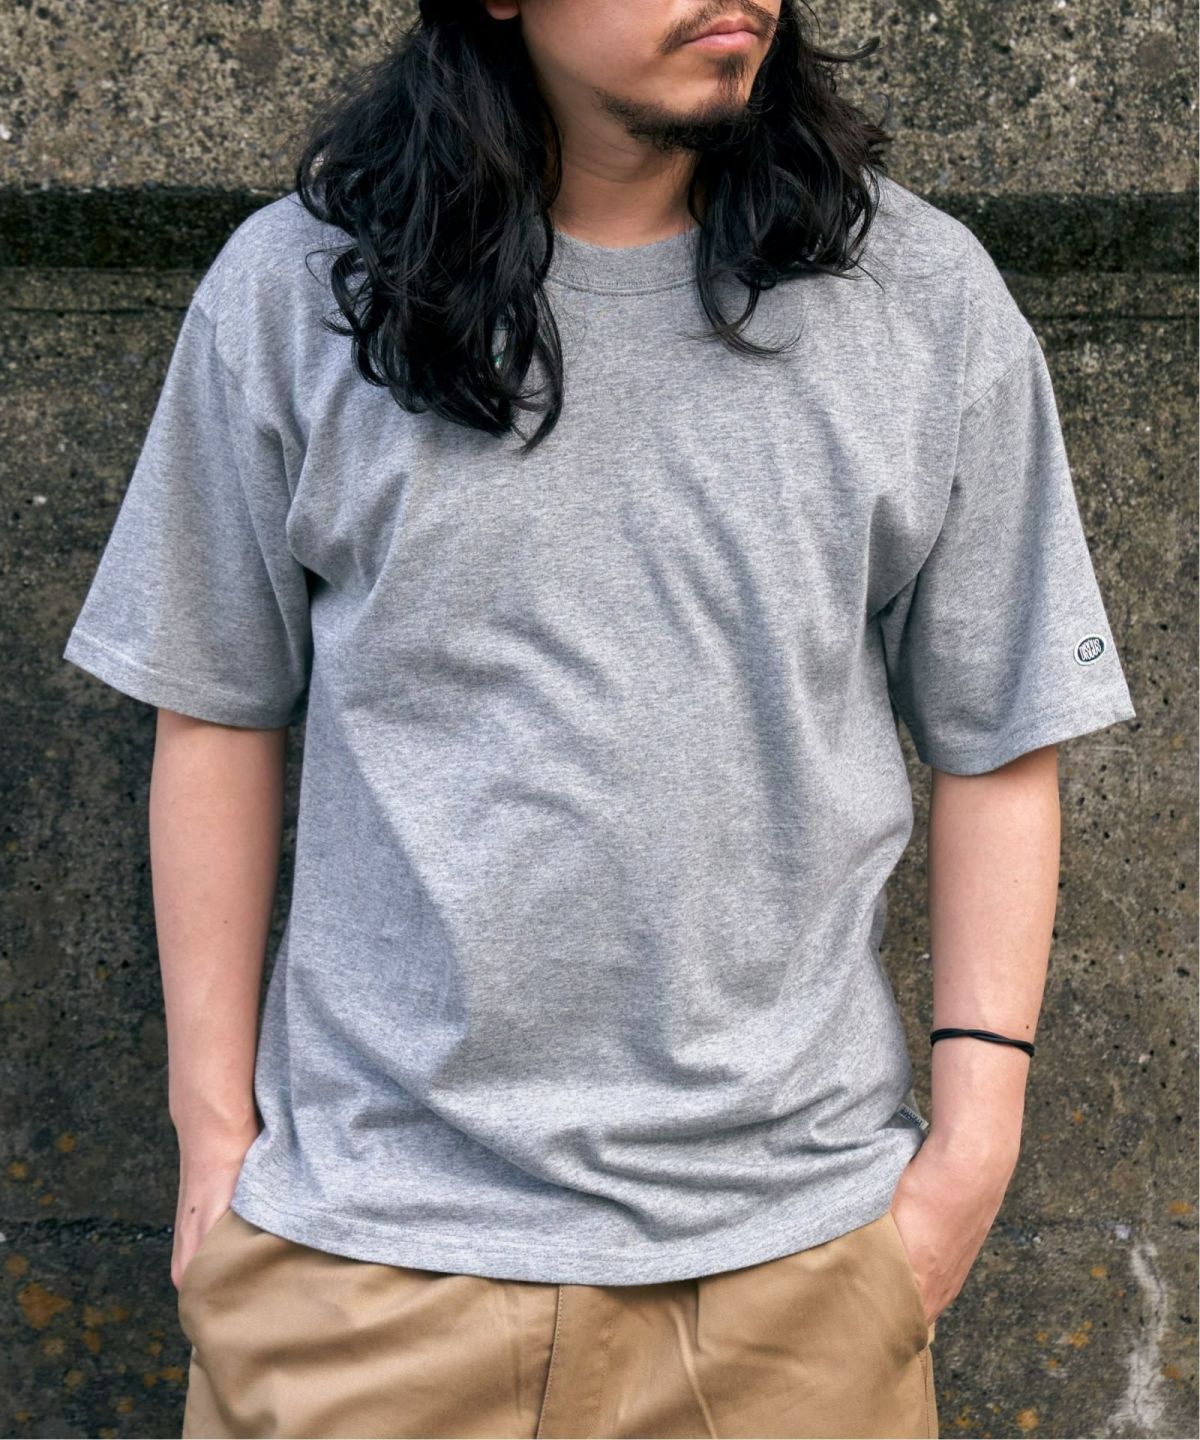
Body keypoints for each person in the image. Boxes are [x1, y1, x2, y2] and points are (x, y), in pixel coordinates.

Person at [61, 1, 1138, 1436]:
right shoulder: (300, 286)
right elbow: (214, 711)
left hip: (792, 1282)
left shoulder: (920, 297)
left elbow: (1001, 737)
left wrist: (970, 1158)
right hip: (360, 1272)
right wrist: (213, 1142)